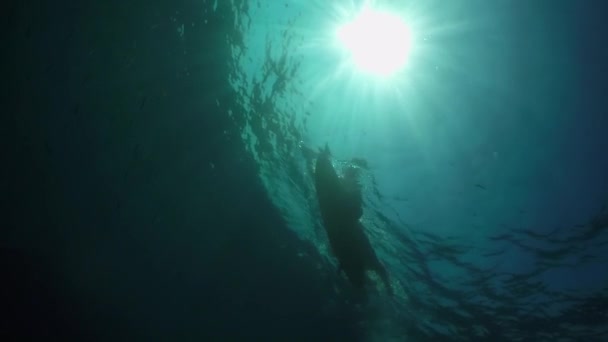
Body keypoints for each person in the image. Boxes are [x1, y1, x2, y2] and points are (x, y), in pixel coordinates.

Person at [312, 144, 392, 295]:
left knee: (351, 194)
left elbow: (380, 270)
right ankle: (350, 171)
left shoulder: (343, 254)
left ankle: (349, 171)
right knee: (352, 196)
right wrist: (389, 288)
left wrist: (389, 288)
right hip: (346, 224)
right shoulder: (366, 258)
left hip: (343, 224)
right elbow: (380, 269)